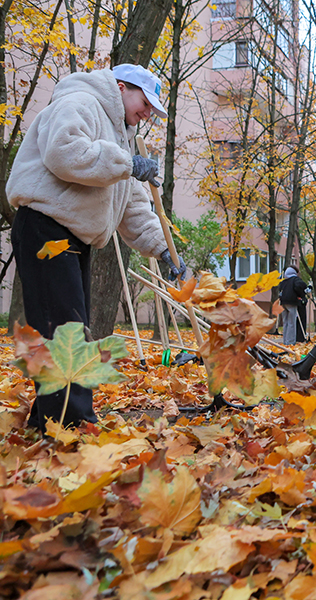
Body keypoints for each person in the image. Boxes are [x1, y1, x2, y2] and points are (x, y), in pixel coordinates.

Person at [7, 64, 186, 433]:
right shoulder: (81, 100)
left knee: (69, 327)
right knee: (64, 330)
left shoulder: (121, 135)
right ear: (121, 87)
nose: (148, 112)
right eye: (145, 102)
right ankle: (72, 426)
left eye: (153, 107)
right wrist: (127, 164)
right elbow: (64, 151)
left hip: (73, 236)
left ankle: (49, 422)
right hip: (46, 227)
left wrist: (164, 249)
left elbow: (134, 206)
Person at [279, 265, 309, 344]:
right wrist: (301, 294)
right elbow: (301, 286)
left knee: (286, 323)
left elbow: (280, 289)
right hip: (292, 302)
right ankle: (290, 342)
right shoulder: (295, 280)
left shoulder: (284, 281)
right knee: (292, 323)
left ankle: (285, 341)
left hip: (283, 303)